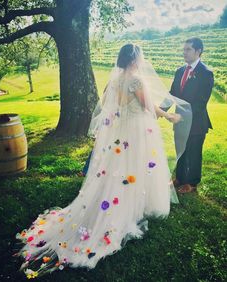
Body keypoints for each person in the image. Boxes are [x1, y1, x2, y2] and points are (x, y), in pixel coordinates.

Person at [15, 44, 191, 278]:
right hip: (137, 131)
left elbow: (108, 105)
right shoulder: (136, 80)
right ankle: (134, 206)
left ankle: (122, 201)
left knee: (120, 169)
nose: (141, 61)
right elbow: (149, 106)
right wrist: (170, 115)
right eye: (139, 58)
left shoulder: (114, 81)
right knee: (136, 167)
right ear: (133, 60)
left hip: (120, 131)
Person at [169, 38, 214, 193]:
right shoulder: (180, 71)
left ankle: (192, 183)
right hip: (179, 120)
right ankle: (180, 178)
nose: (184, 53)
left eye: (188, 49)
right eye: (184, 50)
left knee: (194, 152)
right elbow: (172, 94)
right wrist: (159, 109)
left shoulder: (206, 73)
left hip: (196, 121)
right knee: (180, 150)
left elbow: (201, 102)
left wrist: (184, 116)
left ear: (198, 51)